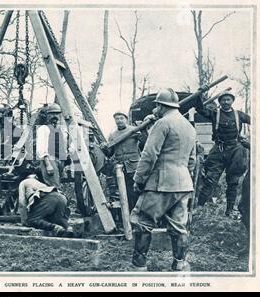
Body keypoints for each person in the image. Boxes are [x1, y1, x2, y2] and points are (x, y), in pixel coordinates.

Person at [130, 88, 196, 271]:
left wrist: (139, 180)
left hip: (160, 184)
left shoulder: (162, 123)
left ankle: (138, 267)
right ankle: (179, 264)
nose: (155, 110)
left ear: (161, 105)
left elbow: (149, 154)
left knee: (142, 222)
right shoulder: (189, 127)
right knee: (179, 226)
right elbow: (192, 160)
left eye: (156, 106)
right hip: (183, 185)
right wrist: (182, 177)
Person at [195, 91, 250, 218]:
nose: (225, 102)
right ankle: (199, 208)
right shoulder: (214, 114)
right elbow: (200, 109)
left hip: (236, 151)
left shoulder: (239, 115)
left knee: (233, 181)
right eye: (223, 100)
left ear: (232, 101)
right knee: (210, 179)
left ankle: (229, 210)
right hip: (219, 150)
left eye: (228, 100)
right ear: (219, 102)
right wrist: (199, 93)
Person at [103, 111, 147, 212]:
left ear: (126, 120)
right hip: (120, 168)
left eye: (121, 118)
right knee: (124, 192)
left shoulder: (134, 130)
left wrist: (143, 131)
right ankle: (127, 215)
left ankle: (138, 213)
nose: (119, 121)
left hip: (133, 166)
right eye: (117, 119)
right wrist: (105, 149)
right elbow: (110, 153)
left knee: (136, 190)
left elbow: (144, 144)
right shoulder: (113, 135)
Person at [18, 170, 73, 237]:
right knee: (58, 219)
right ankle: (68, 228)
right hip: (61, 196)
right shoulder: (41, 184)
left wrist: (24, 221)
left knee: (32, 220)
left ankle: (55, 228)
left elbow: (21, 202)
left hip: (48, 198)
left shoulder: (24, 182)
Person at [35, 103, 68, 188]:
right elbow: (41, 148)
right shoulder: (44, 129)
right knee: (54, 186)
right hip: (49, 160)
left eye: (57, 114)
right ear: (47, 115)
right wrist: (48, 165)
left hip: (59, 161)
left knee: (57, 186)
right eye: (52, 114)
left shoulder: (59, 130)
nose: (55, 116)